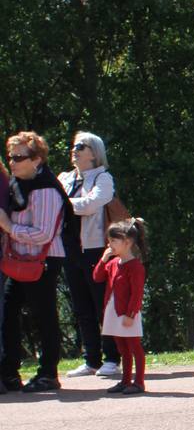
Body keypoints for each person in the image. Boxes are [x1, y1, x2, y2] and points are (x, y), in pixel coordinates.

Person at [0, 132, 75, 392]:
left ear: (37, 159)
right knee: (8, 313)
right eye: (10, 156)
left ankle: (48, 373)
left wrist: (9, 227)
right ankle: (9, 372)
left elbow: (43, 233)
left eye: (19, 157)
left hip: (43, 261)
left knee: (44, 317)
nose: (12, 162)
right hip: (20, 260)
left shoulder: (45, 190)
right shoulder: (18, 185)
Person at [60, 131, 122, 378]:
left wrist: (65, 205)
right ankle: (91, 360)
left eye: (80, 146)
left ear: (94, 153)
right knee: (81, 307)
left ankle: (112, 358)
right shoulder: (64, 178)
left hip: (96, 250)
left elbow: (92, 204)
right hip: (69, 249)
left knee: (102, 305)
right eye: (74, 146)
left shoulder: (103, 177)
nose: (74, 150)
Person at [93, 218, 149, 394]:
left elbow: (137, 293)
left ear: (128, 242)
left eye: (113, 241)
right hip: (113, 311)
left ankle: (138, 382)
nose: (110, 245)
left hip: (127, 313)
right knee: (122, 348)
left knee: (134, 347)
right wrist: (103, 259)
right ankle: (125, 381)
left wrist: (130, 314)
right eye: (109, 241)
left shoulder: (136, 267)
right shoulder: (111, 264)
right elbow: (97, 277)